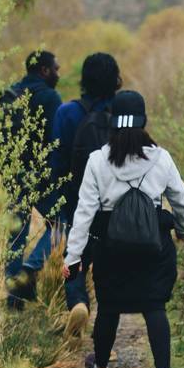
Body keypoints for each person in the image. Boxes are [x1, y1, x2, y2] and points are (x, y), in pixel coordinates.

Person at [62, 90, 184, 368]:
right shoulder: (161, 158)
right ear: (144, 121)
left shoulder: (98, 160)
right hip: (154, 245)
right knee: (154, 305)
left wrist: (73, 256)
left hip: (111, 245)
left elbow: (84, 212)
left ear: (111, 122)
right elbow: (180, 199)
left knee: (109, 305)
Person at [50, 52, 122, 335]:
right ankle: (104, 331)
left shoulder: (67, 113)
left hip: (77, 199)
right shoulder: (121, 111)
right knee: (109, 267)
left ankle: (78, 304)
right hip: (115, 202)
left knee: (75, 258)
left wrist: (56, 205)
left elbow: (56, 162)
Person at [3, 50, 62, 309]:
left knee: (16, 234)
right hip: (41, 174)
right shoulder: (50, 97)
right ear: (45, 70)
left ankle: (13, 298)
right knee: (62, 224)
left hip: (12, 172)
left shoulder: (9, 94)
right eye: (56, 68)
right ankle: (30, 269)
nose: (59, 73)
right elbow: (56, 138)